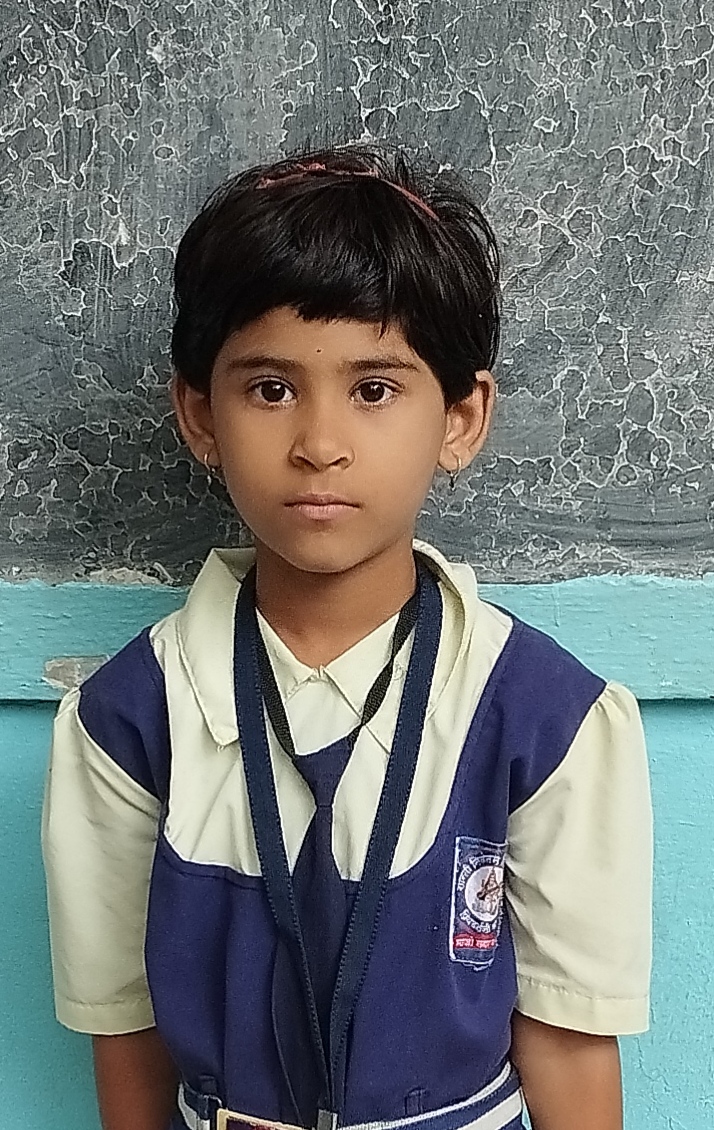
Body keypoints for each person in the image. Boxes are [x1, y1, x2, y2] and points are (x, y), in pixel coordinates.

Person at [41, 142, 653, 1130]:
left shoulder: (547, 717)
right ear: (199, 414)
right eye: (270, 388)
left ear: (461, 418)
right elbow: (127, 1035)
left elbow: (569, 1039)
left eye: (374, 389)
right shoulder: (127, 721)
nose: (319, 443)